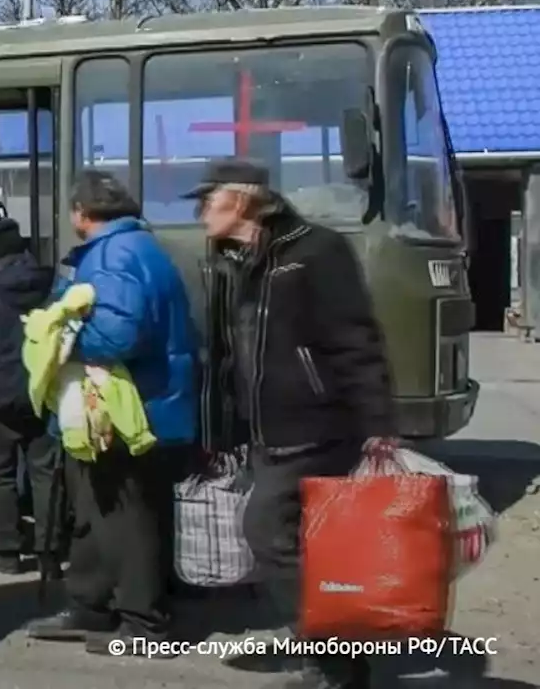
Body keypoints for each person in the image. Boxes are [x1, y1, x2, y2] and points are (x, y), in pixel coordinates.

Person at [191, 159, 393, 689]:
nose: (199, 212)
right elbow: (226, 354)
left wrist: (378, 422)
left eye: (207, 200)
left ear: (241, 202)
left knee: (265, 532)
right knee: (302, 544)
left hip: (313, 425)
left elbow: (355, 338)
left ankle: (333, 661)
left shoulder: (314, 251)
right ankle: (337, 656)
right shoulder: (229, 260)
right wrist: (221, 431)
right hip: (262, 429)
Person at [26, 170, 198, 654]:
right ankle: (91, 604)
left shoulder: (113, 254)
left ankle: (144, 623)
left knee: (126, 514)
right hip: (145, 403)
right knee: (98, 506)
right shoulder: (140, 247)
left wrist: (58, 339)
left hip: (126, 409)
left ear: (81, 214)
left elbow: (119, 334)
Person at [0, 219, 57, 575]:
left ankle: (7, 551)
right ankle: (49, 555)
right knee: (45, 475)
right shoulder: (52, 286)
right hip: (42, 396)